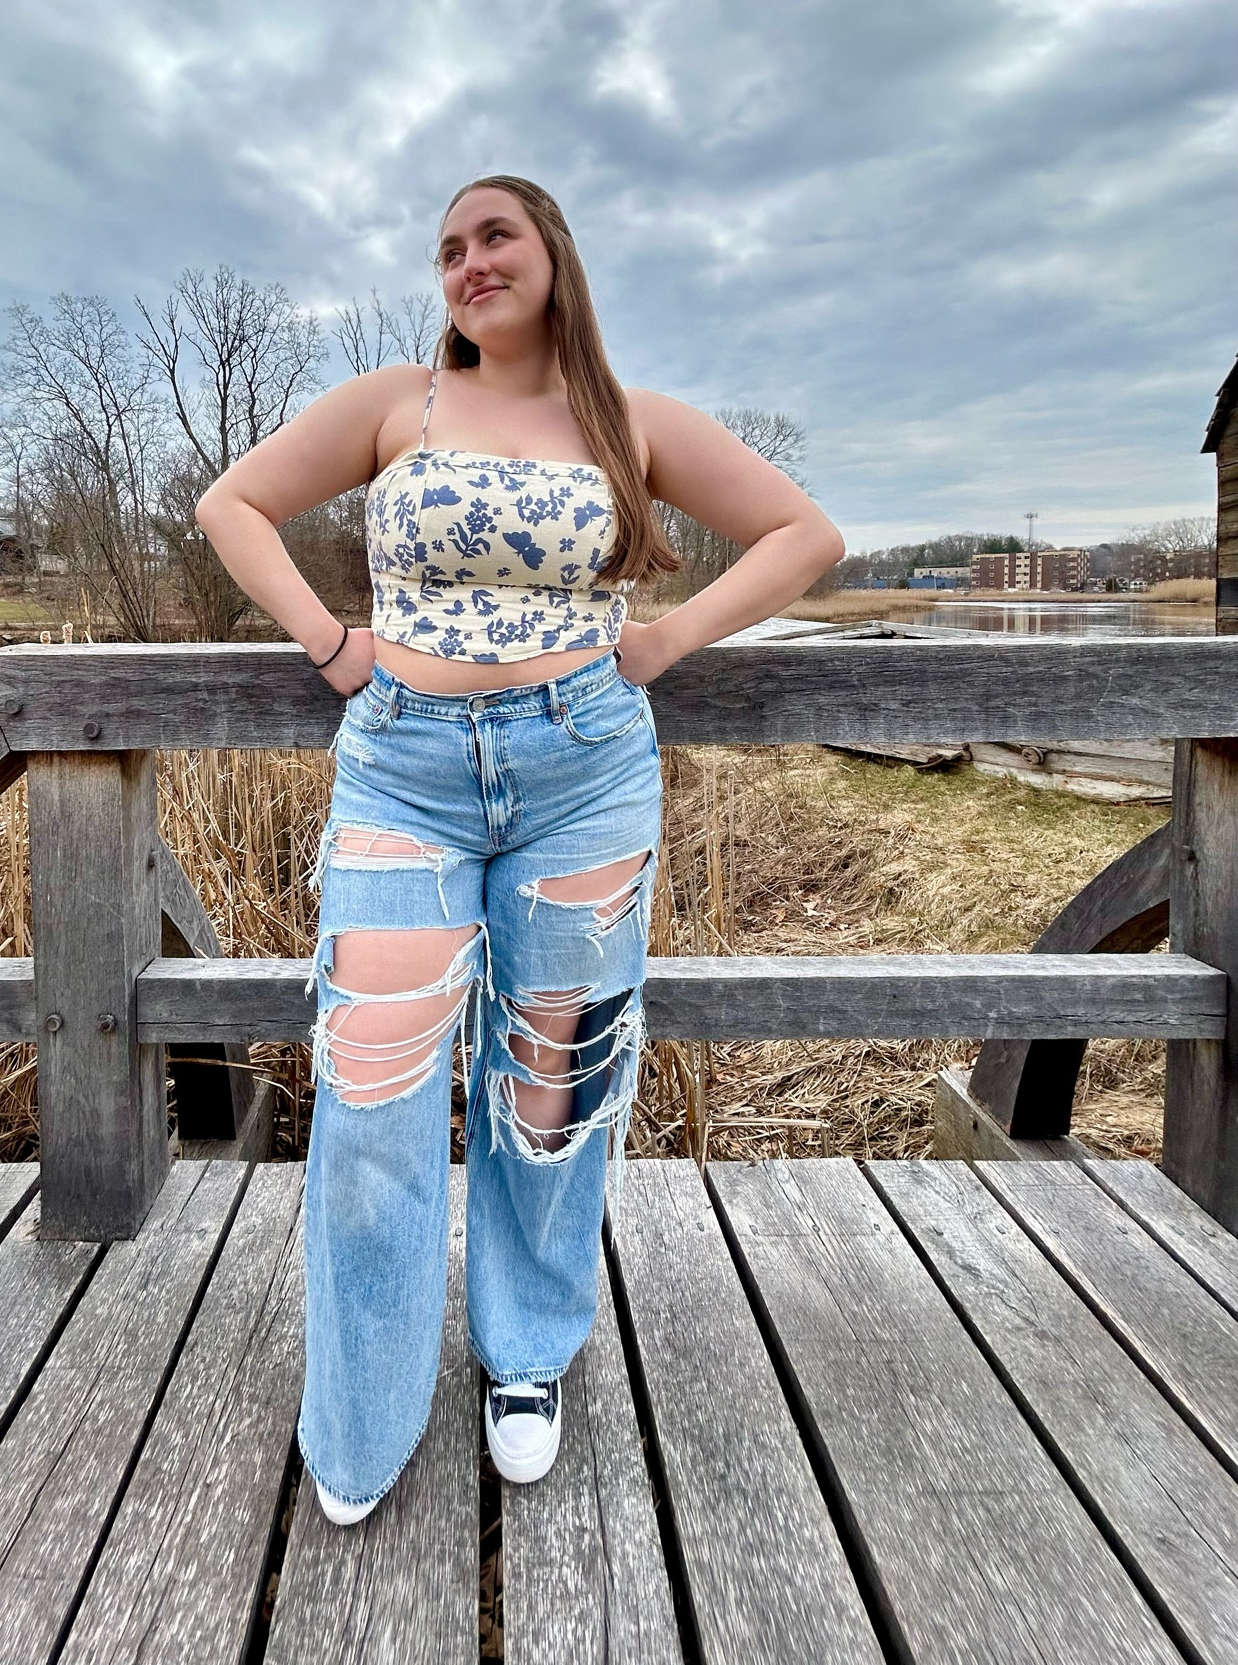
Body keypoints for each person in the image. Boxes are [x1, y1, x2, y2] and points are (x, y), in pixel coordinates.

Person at [196, 175, 843, 1525]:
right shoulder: (399, 404)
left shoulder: (629, 422)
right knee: (371, 1091)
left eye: (494, 235)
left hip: (584, 772)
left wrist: (663, 639)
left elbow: (806, 534)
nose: (468, 262)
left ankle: (527, 1354)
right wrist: (330, 641)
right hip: (405, 770)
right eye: (447, 249)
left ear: (553, 252)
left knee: (554, 1078)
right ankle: (362, 1412)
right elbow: (232, 505)